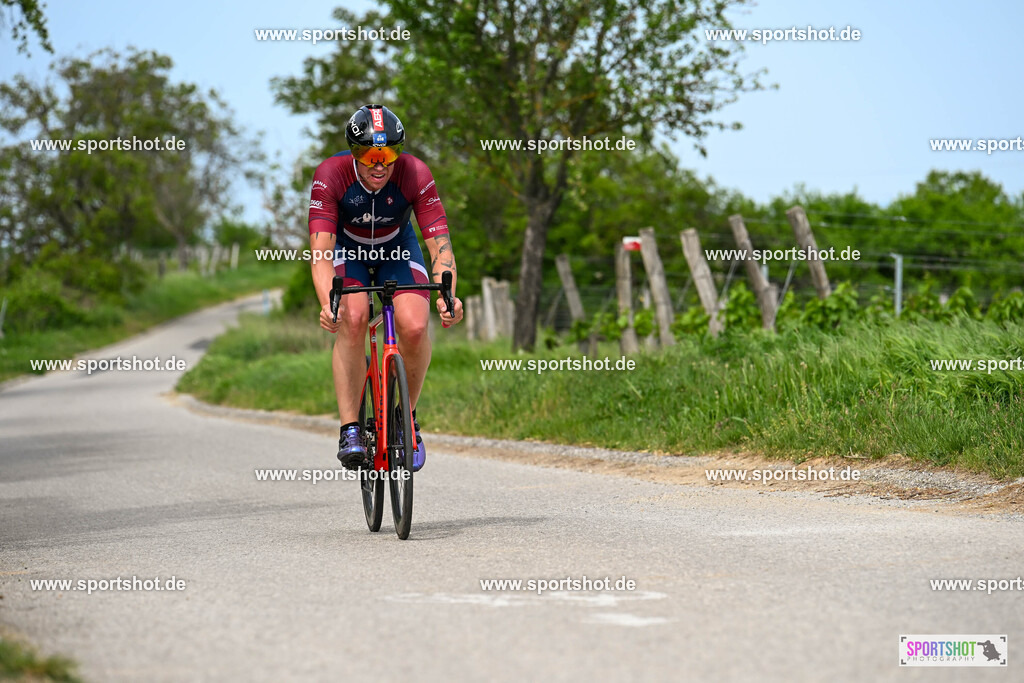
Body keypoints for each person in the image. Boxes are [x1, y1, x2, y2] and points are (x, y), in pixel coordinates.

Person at [307, 104, 463, 472]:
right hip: (351, 252)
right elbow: (321, 254)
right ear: (353, 152)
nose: (380, 166)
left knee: (415, 325)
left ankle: (403, 419)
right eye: (370, 156)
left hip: (398, 248)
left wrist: (449, 294)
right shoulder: (331, 174)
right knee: (354, 316)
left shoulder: (415, 173)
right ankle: (350, 428)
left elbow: (440, 245)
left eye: (389, 155)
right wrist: (329, 304)